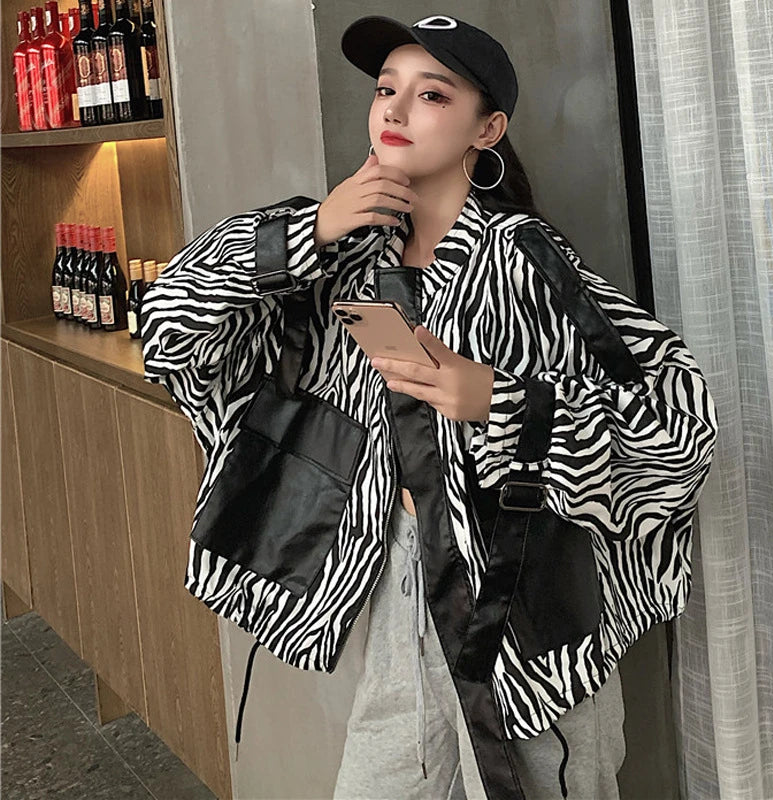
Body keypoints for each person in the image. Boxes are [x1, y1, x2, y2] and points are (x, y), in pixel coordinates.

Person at [139, 13, 718, 800]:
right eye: (386, 89)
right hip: (400, 591)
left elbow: (679, 428)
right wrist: (306, 230)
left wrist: (499, 401)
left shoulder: (526, 262)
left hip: (524, 622)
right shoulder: (339, 261)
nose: (397, 109)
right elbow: (170, 328)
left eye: (433, 94)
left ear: (488, 129)